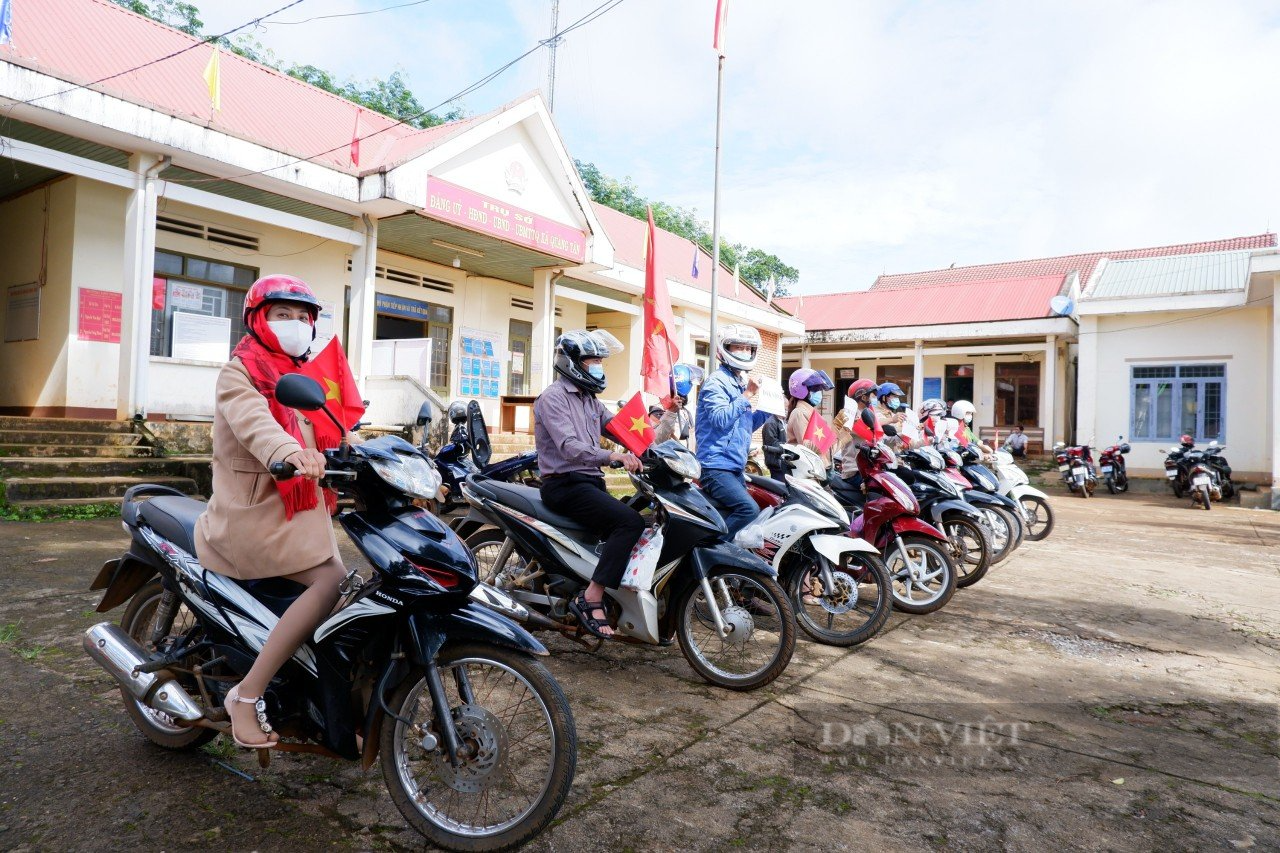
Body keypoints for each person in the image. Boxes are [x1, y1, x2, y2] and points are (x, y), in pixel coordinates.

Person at [194, 274, 353, 750]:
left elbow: (335, 428)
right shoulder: (240, 372)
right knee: (332, 581)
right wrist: (289, 451)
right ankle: (246, 695)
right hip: (252, 514)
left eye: (303, 317)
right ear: (259, 320)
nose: (295, 324)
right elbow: (255, 423)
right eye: (283, 314)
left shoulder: (300, 377)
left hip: (296, 510)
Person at [534, 329, 644, 640]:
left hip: (590, 482)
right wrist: (614, 456)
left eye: (599, 361)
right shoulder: (552, 398)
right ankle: (591, 597)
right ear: (571, 363)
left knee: (644, 518)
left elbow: (619, 427)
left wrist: (655, 446)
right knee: (629, 522)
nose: (598, 366)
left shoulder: (589, 400)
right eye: (592, 361)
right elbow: (569, 447)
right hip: (564, 483)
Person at [695, 324, 771, 537]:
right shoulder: (716, 383)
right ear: (724, 348)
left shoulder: (738, 384)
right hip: (715, 465)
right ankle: (713, 551)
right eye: (738, 347)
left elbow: (745, 426)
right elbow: (720, 419)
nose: (744, 352)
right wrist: (747, 395)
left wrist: (769, 410)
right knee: (749, 509)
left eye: (748, 348)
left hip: (734, 465)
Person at [785, 368, 835, 458]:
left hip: (819, 467)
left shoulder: (811, 413)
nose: (819, 392)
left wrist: (842, 430)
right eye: (816, 389)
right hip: (808, 470)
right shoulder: (799, 413)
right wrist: (830, 434)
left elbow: (827, 449)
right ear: (801, 390)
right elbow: (806, 447)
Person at [838, 378, 881, 483]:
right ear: (863, 397)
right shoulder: (848, 414)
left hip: (869, 467)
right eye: (872, 395)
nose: (875, 399)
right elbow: (863, 431)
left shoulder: (868, 413)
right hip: (855, 470)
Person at [762, 410, 787, 482]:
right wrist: (788, 446)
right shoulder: (771, 423)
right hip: (776, 463)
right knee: (780, 488)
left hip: (783, 462)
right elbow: (772, 443)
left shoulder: (783, 421)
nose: (787, 410)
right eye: (784, 409)